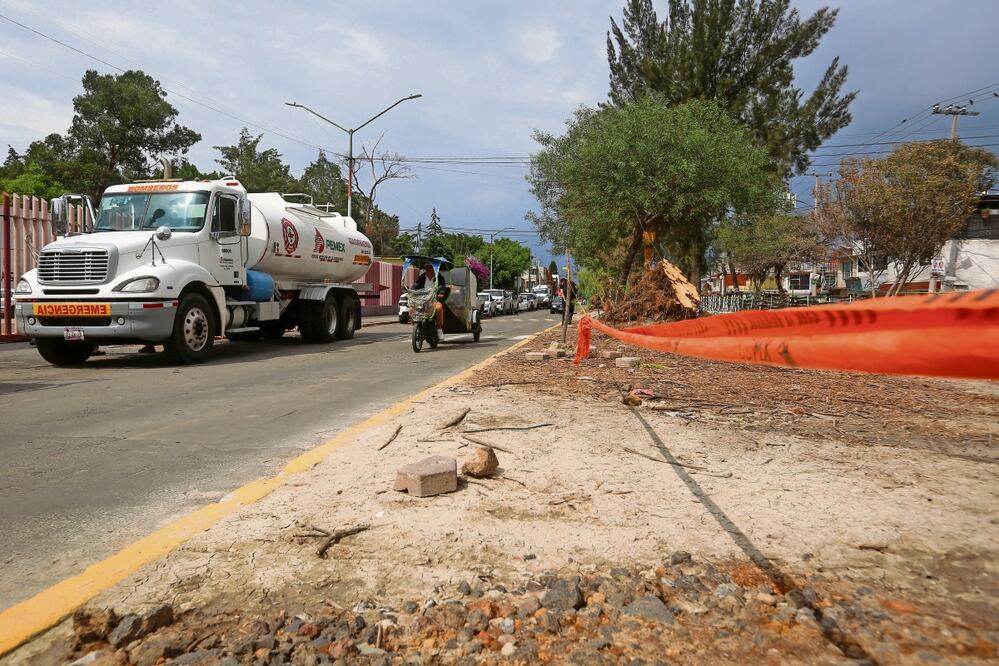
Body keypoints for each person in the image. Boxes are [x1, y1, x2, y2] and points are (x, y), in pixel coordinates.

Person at [414, 261, 449, 340]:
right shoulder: (421, 277)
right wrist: (412, 290)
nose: (428, 269)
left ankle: (439, 329)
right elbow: (415, 285)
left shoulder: (439, 277)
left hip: (434, 299)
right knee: (411, 308)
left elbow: (442, 286)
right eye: (427, 268)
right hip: (422, 300)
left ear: (434, 269)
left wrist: (441, 293)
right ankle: (416, 326)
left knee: (439, 308)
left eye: (430, 268)